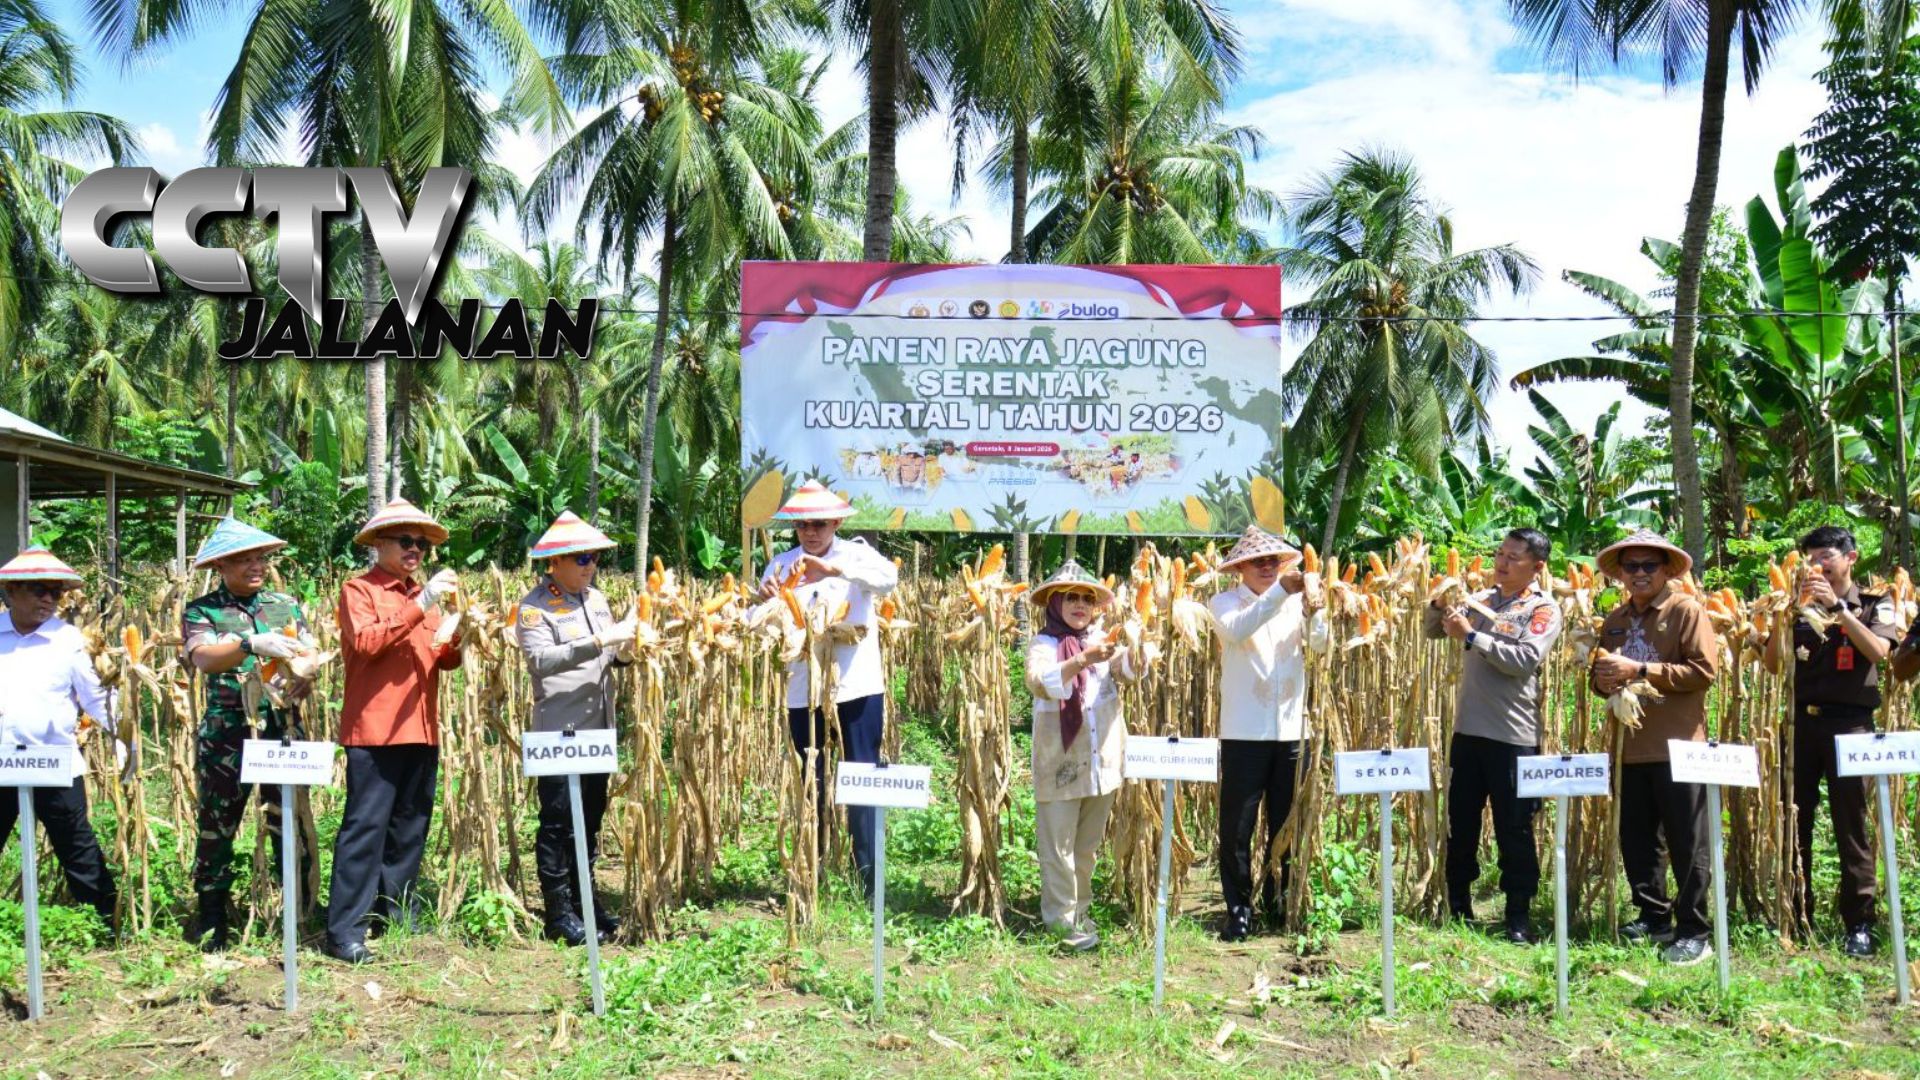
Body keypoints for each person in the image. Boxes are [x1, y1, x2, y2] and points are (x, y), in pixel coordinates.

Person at [324, 499, 464, 964]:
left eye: (421, 544)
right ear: (378, 544)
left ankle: (396, 914)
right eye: (406, 542)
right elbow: (366, 643)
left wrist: (460, 634)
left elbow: (442, 658)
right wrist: (421, 604)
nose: (416, 550)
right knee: (365, 829)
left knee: (410, 827)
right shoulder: (358, 590)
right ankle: (346, 929)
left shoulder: (422, 597)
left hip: (422, 727)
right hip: (377, 730)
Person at [1763, 525, 1904, 957]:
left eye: (1825, 557)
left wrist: (1839, 608)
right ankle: (1795, 914)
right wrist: (1785, 615)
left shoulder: (1877, 603)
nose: (1816, 566)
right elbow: (1772, 665)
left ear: (1851, 558)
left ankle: (1859, 924)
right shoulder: (1796, 604)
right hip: (1802, 726)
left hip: (1852, 726)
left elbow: (1881, 654)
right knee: (1793, 820)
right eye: (1810, 559)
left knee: (1852, 826)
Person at [181, 517, 318, 951]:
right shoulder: (202, 610)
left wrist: (306, 674)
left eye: (260, 557)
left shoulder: (284, 605)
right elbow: (203, 657)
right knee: (218, 824)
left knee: (288, 820)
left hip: (282, 729)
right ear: (221, 565)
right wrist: (249, 644)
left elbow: (309, 649)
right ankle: (213, 921)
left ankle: (298, 914)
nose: (255, 565)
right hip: (228, 735)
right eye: (243, 559)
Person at [759, 479, 898, 896]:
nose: (811, 532)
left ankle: (869, 879)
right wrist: (763, 599)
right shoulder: (781, 566)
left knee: (861, 779)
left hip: (857, 689)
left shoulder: (857, 555)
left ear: (836, 521)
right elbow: (767, 623)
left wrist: (834, 569)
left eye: (819, 523)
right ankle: (810, 872)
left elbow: (887, 580)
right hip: (803, 692)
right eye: (803, 526)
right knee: (811, 783)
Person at [1423, 528, 1561, 943]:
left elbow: (1523, 660)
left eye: (1513, 557)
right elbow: (1433, 631)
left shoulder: (1542, 609)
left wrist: (1470, 634)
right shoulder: (1481, 600)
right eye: (1499, 554)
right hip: (1468, 731)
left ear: (1537, 567)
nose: (1501, 563)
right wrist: (1437, 599)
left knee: (1514, 828)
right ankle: (1459, 903)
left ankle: (1517, 913)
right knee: (1460, 822)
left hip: (1513, 736)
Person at [1590, 529, 1719, 966]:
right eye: (1632, 567)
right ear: (1621, 573)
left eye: (1649, 566)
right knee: (1639, 840)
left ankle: (1695, 930)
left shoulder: (1686, 611)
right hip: (1631, 747)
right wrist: (1601, 679)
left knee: (1687, 841)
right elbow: (1601, 677)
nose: (1640, 574)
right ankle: (1653, 916)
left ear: (1666, 570)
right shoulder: (1615, 619)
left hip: (1679, 745)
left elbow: (1703, 671)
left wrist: (1640, 667)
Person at [515, 511, 636, 946]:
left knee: (590, 818)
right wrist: (601, 642)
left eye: (594, 559)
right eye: (581, 558)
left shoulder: (597, 600)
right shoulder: (534, 608)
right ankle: (558, 911)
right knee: (558, 822)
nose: (589, 566)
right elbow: (541, 661)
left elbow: (611, 658)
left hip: (597, 728)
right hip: (559, 732)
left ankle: (587, 900)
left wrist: (625, 650)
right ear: (556, 562)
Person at [1026, 561, 1146, 950]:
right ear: (1056, 602)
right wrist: (1081, 660)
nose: (1080, 604)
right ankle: (1059, 924)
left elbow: (1127, 672)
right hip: (1059, 763)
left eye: (1087, 599)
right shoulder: (1043, 644)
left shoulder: (1102, 640)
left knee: (1085, 848)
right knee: (1057, 848)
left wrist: (1138, 649)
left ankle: (1078, 911)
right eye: (1071, 597)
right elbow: (1039, 683)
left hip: (1102, 761)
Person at [0, 547, 118, 931]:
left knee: (76, 844)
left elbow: (96, 697)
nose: (49, 599)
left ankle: (103, 925)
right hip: (2, 760)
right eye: (39, 590)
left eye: (56, 591)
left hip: (54, 760)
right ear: (10, 592)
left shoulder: (69, 641)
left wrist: (125, 738)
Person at [1207, 526, 1307, 941]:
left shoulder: (1297, 602)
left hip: (1291, 730)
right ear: (1241, 568)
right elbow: (1238, 630)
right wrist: (1282, 592)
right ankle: (1238, 909)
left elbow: (1319, 644)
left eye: (1274, 560)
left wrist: (1317, 613)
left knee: (1287, 824)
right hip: (1244, 732)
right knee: (1237, 827)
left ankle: (1280, 898)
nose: (1268, 567)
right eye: (1258, 561)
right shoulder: (1223, 603)